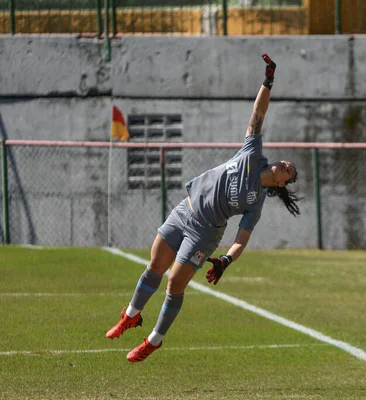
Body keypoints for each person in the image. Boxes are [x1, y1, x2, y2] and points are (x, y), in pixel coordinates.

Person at [105, 53, 300, 363]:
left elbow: (241, 240)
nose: (287, 165)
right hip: (186, 210)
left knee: (174, 282)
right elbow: (258, 112)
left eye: (289, 173)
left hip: (205, 232)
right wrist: (268, 80)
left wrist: (225, 260)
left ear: (279, 185)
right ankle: (131, 314)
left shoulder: (256, 201)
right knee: (155, 263)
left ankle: (154, 340)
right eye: (288, 165)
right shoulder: (252, 153)